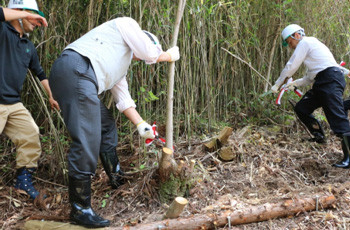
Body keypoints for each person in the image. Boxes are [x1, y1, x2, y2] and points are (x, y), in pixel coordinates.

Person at [49, 17, 180, 228]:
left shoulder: (119, 61)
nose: (141, 59)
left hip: (74, 75)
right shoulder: (127, 25)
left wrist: (141, 125)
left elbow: (124, 100)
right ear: (144, 40)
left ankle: (116, 175)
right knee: (87, 138)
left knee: (105, 124)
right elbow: (150, 53)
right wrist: (167, 56)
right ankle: (80, 209)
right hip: (76, 69)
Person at [0, 0, 60, 200]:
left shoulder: (27, 45)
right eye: (32, 15)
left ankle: (23, 183)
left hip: (13, 103)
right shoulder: (2, 30)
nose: (36, 21)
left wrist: (51, 95)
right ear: (17, 12)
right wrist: (23, 14)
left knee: (30, 134)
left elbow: (40, 73)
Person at [271, 24, 350, 169]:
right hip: (322, 82)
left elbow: (291, 66)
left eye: (290, 42)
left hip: (330, 80)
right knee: (302, 108)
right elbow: (310, 77)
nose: (291, 46)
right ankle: (319, 135)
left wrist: (277, 83)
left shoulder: (306, 42)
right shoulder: (312, 50)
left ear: (296, 35)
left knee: (337, 118)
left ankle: (349, 157)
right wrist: (293, 84)